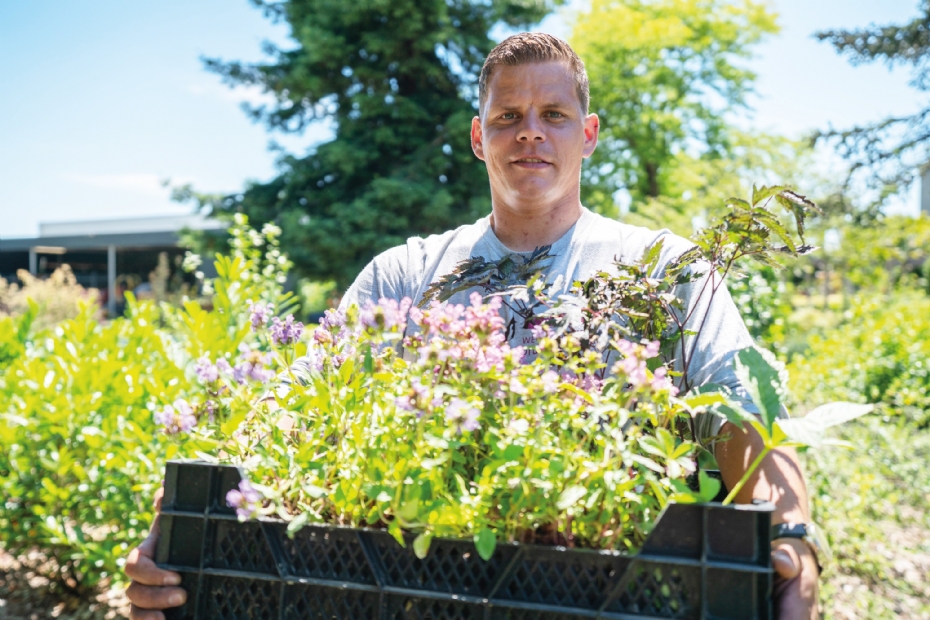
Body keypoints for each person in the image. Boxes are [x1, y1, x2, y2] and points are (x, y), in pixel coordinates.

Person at [125, 33, 820, 620]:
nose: (529, 133)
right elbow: (289, 406)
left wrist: (791, 535)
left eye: (553, 113)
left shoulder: (665, 268)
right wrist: (176, 518)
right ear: (476, 137)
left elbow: (747, 410)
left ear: (588, 133)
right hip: (417, 588)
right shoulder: (405, 277)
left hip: (624, 591)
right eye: (506, 116)